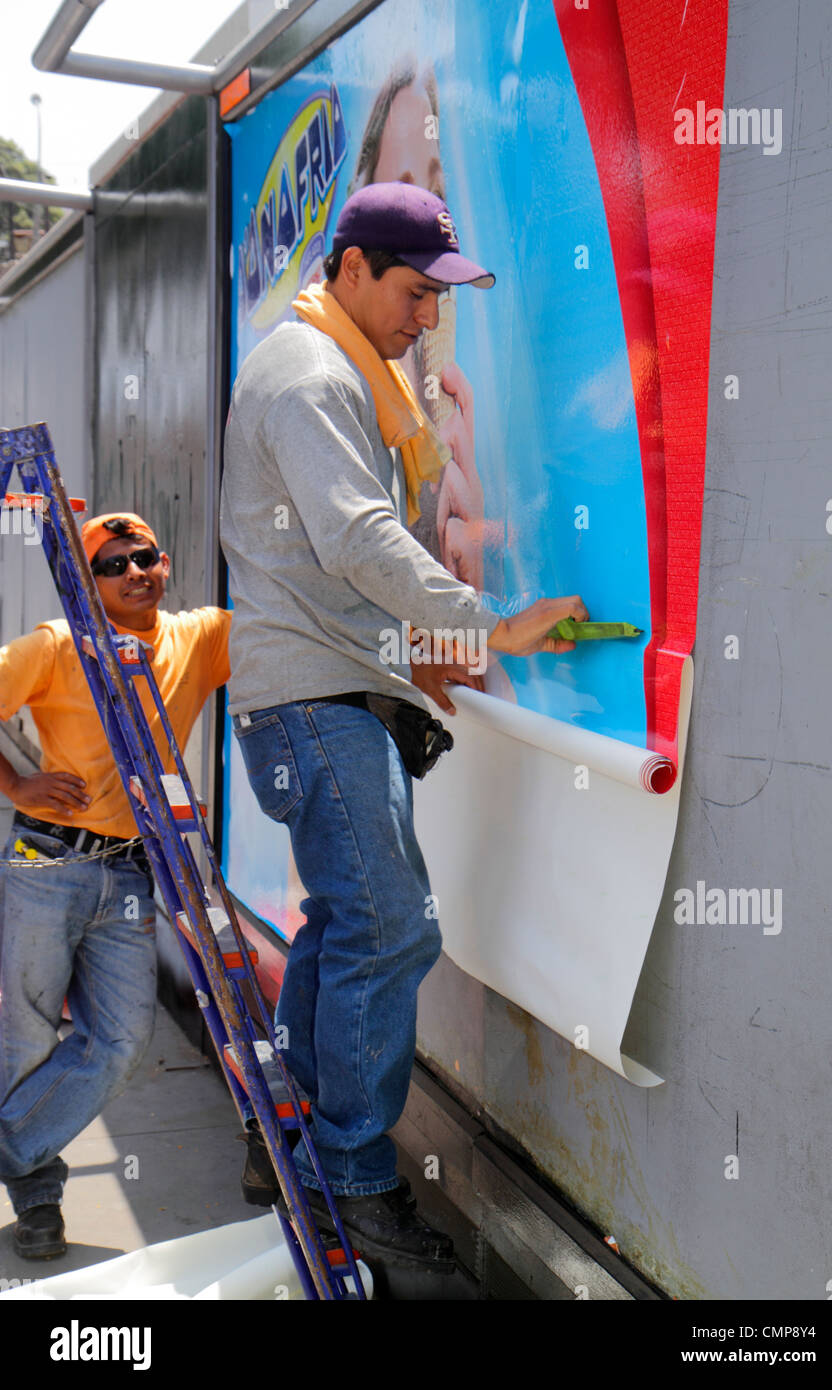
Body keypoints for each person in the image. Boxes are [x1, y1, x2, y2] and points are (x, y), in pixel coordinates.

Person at [219, 180, 587, 1273]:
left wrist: (402, 660)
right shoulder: (309, 375)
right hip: (312, 700)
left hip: (330, 692)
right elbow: (358, 542)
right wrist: (488, 626)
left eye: (439, 297)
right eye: (415, 291)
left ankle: (286, 1128)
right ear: (351, 267)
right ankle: (358, 1181)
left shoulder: (351, 373)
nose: (427, 317)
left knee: (343, 926)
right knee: (393, 929)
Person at [0, 513, 231, 1259]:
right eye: (114, 564)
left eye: (147, 558)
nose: (137, 572)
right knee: (31, 1033)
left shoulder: (200, 637)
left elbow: (300, 641)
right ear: (88, 583)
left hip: (132, 868)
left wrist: (421, 655)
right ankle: (38, 1195)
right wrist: (17, 786)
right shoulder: (57, 644)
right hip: (49, 865)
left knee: (124, 1040)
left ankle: (13, 1149)